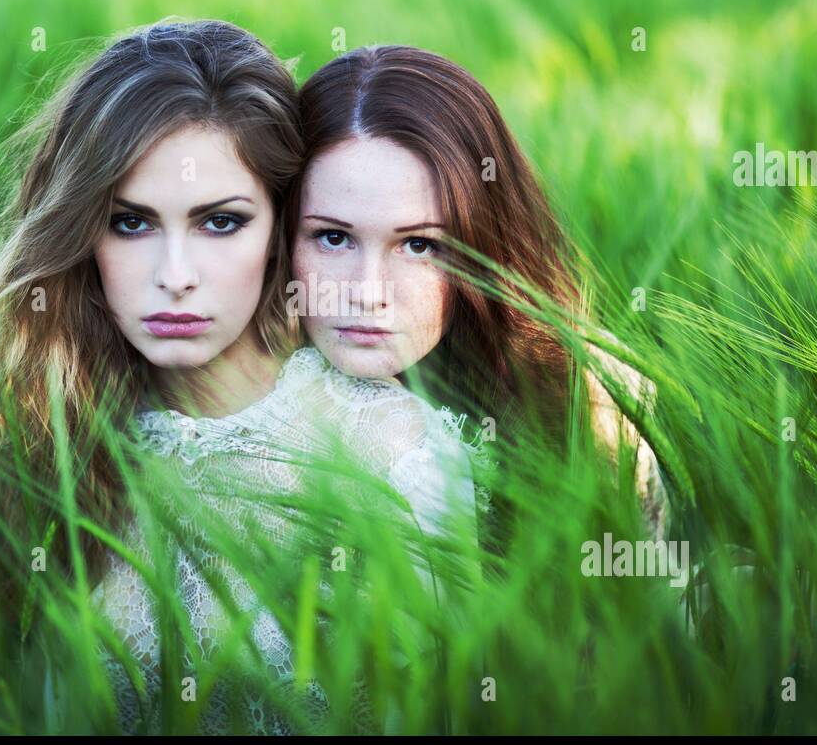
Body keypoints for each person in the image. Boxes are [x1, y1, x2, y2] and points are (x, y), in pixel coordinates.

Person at [0, 20, 478, 734]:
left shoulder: (393, 453)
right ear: (82, 233)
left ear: (281, 225)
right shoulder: (61, 434)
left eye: (219, 223)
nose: (175, 278)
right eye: (131, 223)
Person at [286, 45, 669, 554]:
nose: (367, 293)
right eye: (333, 237)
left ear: (481, 247)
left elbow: (643, 605)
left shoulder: (577, 396)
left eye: (420, 245)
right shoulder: (210, 397)